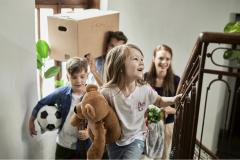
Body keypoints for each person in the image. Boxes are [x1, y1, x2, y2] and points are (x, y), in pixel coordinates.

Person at [100, 44, 182, 159]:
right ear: (120, 65)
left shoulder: (144, 88)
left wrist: (173, 99)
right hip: (114, 141)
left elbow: (159, 100)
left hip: (136, 138)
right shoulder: (108, 92)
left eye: (142, 59)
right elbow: (99, 111)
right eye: (136, 59)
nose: (141, 62)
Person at [28, 57, 91, 159]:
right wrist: (31, 120)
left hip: (84, 146)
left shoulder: (92, 96)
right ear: (68, 77)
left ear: (87, 76)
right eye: (74, 77)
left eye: (82, 76)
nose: (78, 80)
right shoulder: (61, 93)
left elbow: (99, 121)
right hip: (63, 144)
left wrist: (89, 132)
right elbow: (42, 102)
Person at [144, 44, 180, 159]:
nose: (164, 62)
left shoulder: (176, 80)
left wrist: (168, 110)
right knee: (147, 156)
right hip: (147, 123)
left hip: (167, 125)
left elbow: (180, 109)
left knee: (163, 156)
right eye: (161, 58)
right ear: (154, 58)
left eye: (168, 59)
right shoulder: (144, 78)